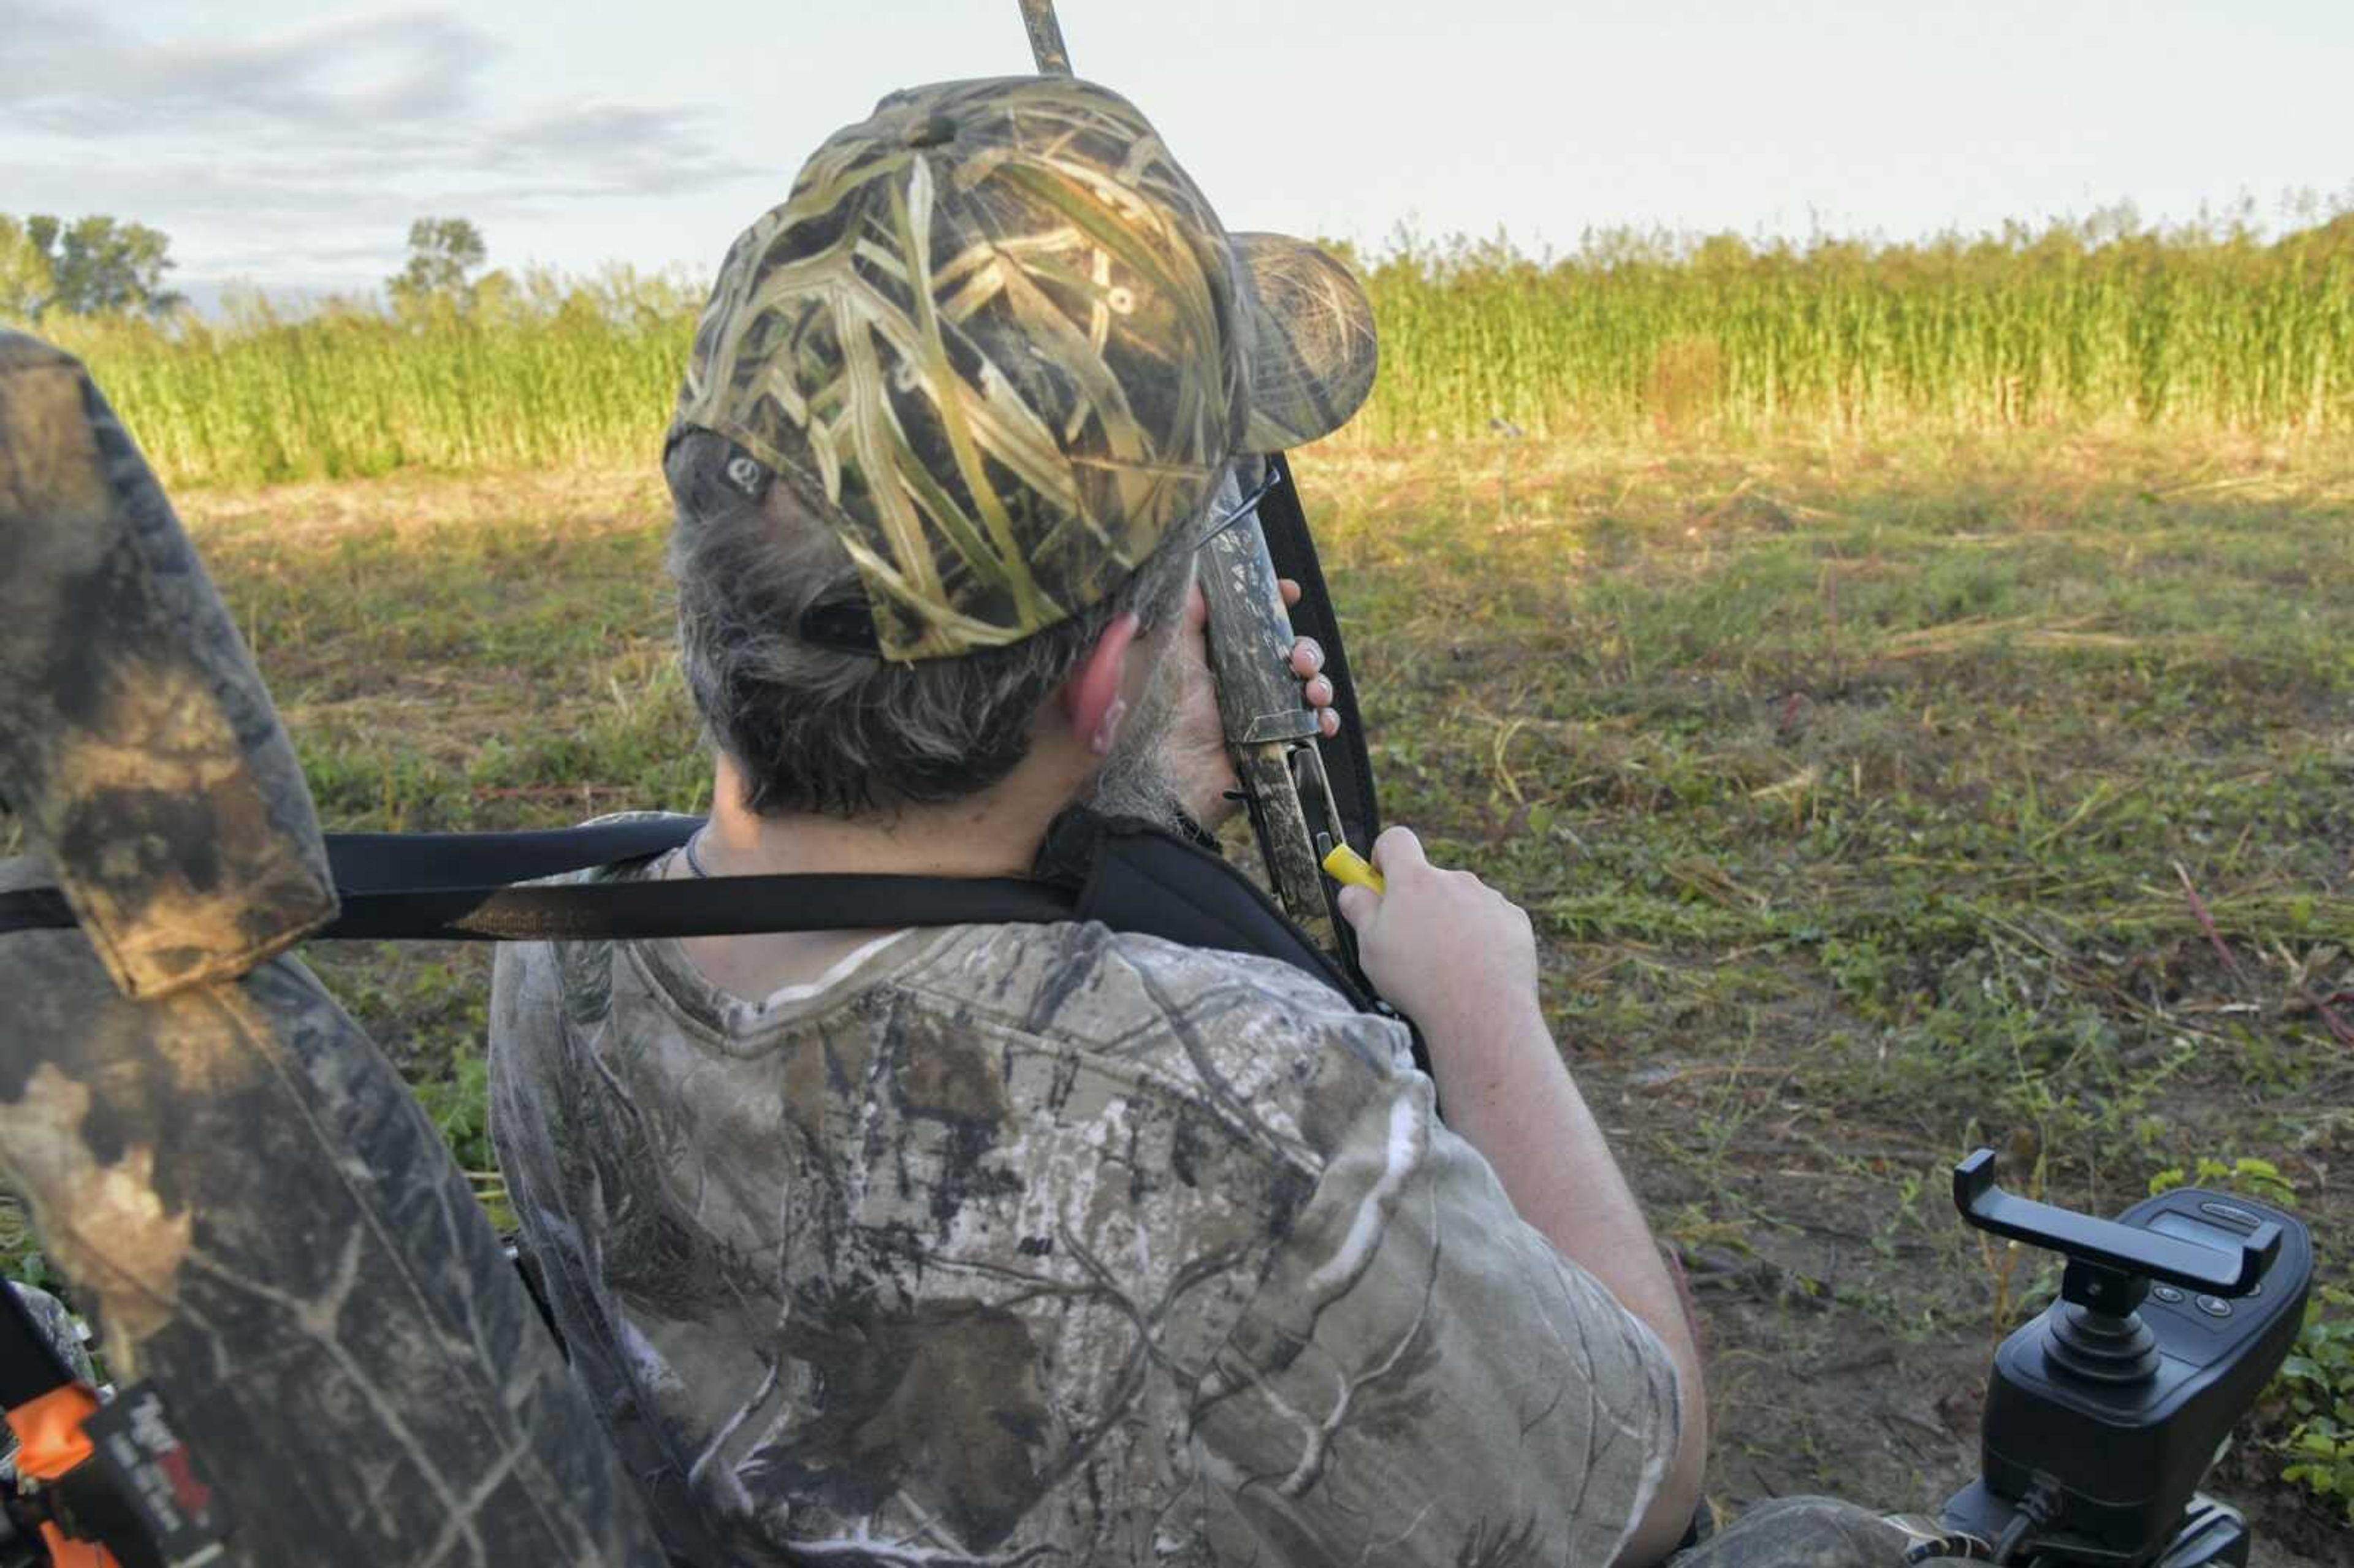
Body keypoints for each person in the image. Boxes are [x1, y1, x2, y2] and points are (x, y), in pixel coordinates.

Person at [489, 73, 1911, 1568]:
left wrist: (1127, 794)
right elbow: (1648, 1468)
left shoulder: (558, 950)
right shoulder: (1241, 1113)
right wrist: (1487, 1010)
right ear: (1111, 666)